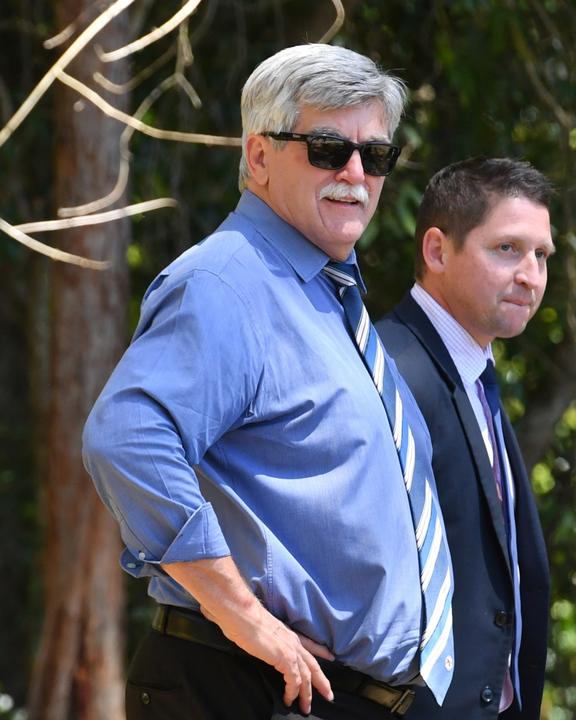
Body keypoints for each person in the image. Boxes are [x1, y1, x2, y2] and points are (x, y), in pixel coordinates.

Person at [83, 44, 454, 719]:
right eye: (326, 148)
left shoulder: (324, 294)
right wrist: (247, 620)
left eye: (375, 157)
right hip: (249, 688)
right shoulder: (227, 281)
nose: (354, 173)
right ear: (258, 157)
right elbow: (127, 440)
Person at [375, 158, 554, 719]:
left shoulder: (475, 372)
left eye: (541, 255)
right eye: (507, 249)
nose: (530, 274)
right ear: (436, 251)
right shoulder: (388, 369)